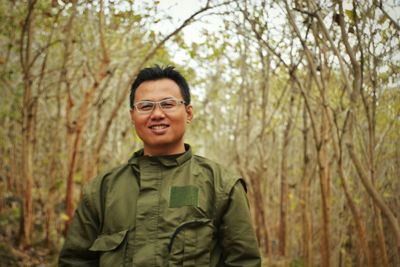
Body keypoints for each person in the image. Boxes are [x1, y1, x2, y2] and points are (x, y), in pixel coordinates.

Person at [59, 65, 261, 266]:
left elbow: (244, 262)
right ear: (132, 116)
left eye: (168, 104)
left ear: (188, 113)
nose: (156, 114)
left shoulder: (222, 186)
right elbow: (75, 261)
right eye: (146, 106)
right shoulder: (102, 191)